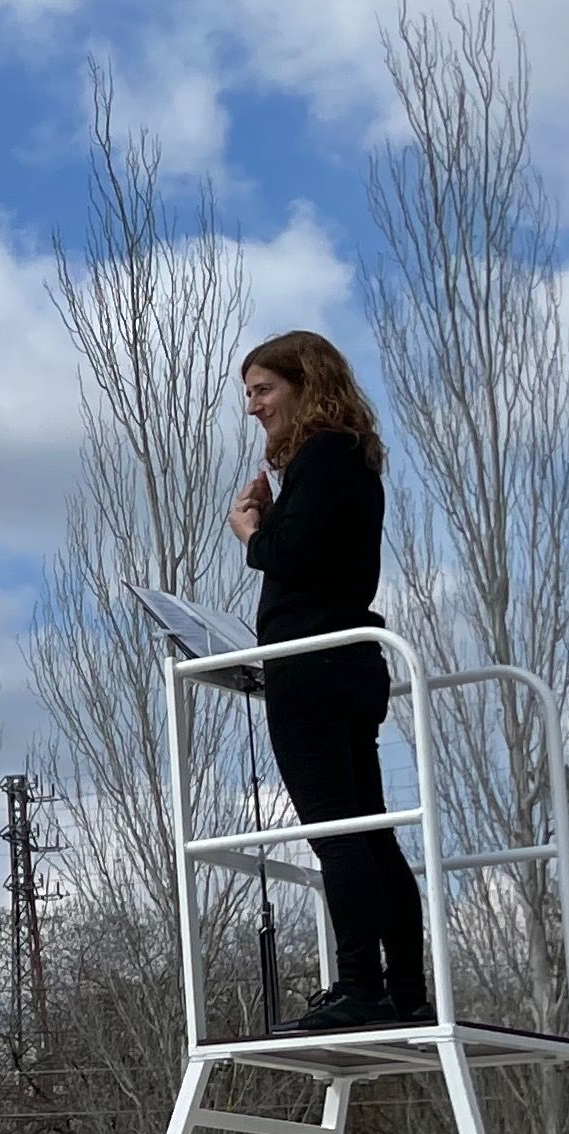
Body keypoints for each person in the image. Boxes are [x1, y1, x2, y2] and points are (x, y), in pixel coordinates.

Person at [231, 329, 425, 1032]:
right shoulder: (347, 459)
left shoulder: (324, 456)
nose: (253, 407)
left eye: (263, 389)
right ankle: (403, 988)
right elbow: (317, 556)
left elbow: (291, 557)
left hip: (311, 669)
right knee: (370, 833)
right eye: (249, 394)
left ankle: (362, 988)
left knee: (337, 834)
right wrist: (279, 513)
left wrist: (251, 527)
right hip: (346, 664)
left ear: (304, 384)